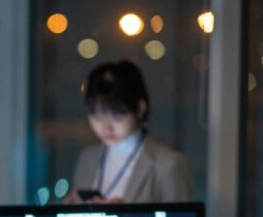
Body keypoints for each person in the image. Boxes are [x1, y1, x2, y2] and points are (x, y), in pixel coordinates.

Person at [67, 59, 191, 203]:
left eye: (117, 117)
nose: (107, 128)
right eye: (97, 117)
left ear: (140, 109)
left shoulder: (169, 164)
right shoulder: (87, 157)